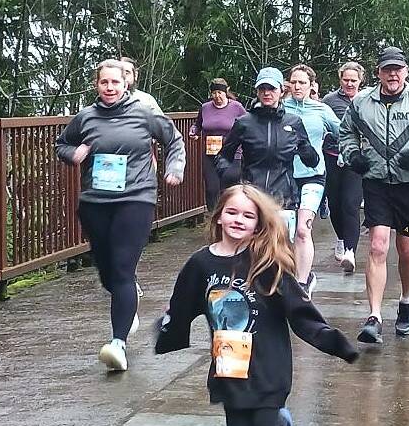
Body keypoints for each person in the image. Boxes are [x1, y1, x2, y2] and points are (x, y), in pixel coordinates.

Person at [154, 184, 359, 426]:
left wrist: (335, 342)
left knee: (265, 425)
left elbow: (300, 311)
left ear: (259, 224)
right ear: (218, 215)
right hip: (228, 364)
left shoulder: (266, 263)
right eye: (232, 212)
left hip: (268, 364)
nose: (238, 220)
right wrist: (168, 330)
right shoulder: (200, 263)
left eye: (248, 215)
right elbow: (183, 304)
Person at [55, 59, 185, 372]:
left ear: (126, 83)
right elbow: (62, 143)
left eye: (116, 82)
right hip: (95, 201)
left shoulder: (144, 113)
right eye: (105, 83)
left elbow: (174, 139)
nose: (110, 88)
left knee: (124, 268)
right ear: (97, 85)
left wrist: (175, 168)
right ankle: (126, 306)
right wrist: (74, 154)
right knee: (107, 270)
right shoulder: (86, 117)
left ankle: (118, 344)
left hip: (136, 197)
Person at [338, 46, 409, 344]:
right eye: (387, 69)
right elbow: (346, 132)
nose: (392, 74)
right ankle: (374, 316)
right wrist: (353, 155)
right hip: (376, 182)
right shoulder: (362, 102)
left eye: (397, 69)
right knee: (377, 246)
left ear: (406, 71)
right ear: (378, 73)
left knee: (406, 249)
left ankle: (405, 301)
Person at [215, 67, 320, 244]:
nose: (266, 93)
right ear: (257, 91)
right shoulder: (244, 123)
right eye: (262, 89)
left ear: (281, 91)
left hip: (284, 198)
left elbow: (312, 160)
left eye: (271, 89)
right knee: (251, 250)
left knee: (281, 252)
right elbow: (224, 156)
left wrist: (305, 150)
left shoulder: (293, 122)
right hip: (252, 197)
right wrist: (229, 176)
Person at [281, 64, 340, 297]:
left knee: (303, 230)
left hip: (313, 175)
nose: (297, 87)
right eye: (293, 82)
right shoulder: (280, 108)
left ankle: (303, 283)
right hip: (283, 176)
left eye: (302, 83)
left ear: (311, 85)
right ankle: (286, 275)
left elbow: (344, 131)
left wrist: (349, 152)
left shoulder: (321, 110)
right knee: (285, 231)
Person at [323, 61, 365, 273]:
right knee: (336, 204)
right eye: (345, 79)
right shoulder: (329, 101)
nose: (349, 83)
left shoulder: (366, 100)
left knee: (351, 204)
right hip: (332, 157)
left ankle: (350, 251)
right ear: (340, 79)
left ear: (360, 81)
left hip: (355, 160)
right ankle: (341, 238)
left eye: (353, 80)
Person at [189, 78, 246, 210]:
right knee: (211, 189)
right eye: (214, 93)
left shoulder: (236, 107)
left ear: (226, 91)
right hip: (211, 153)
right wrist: (194, 132)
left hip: (232, 153)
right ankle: (214, 220)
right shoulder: (205, 108)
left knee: (229, 188)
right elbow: (197, 125)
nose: (217, 96)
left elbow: (247, 124)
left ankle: (231, 215)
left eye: (220, 92)